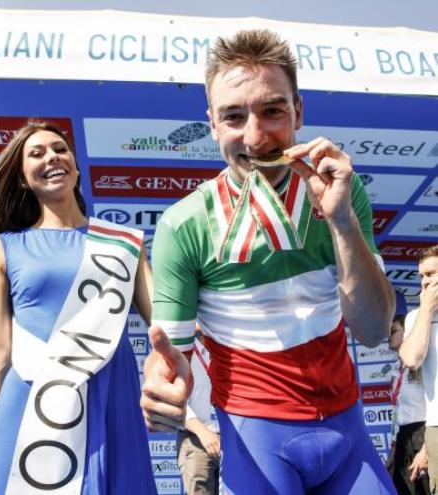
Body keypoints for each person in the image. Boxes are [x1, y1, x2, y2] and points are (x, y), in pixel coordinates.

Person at [141, 29, 396, 494]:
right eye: (234, 117)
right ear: (212, 125)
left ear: (299, 110)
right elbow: (168, 359)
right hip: (257, 442)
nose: (256, 137)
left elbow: (375, 330)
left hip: (348, 432)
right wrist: (162, 388)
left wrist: (340, 222)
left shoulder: (341, 189)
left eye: (272, 110)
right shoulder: (184, 224)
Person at [0, 121, 156, 494]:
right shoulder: (3, 246)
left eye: (59, 149)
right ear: (22, 179)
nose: (51, 157)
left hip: (108, 399)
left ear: (75, 164)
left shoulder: (123, 244)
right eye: (36, 154)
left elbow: (163, 325)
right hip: (26, 402)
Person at [399, 245, 438, 493]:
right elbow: (412, 358)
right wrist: (426, 309)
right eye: (421, 276)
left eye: (432, 274)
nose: (425, 282)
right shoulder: (416, 317)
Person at [387, 290, 430, 494]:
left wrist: (427, 449)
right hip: (404, 438)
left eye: (393, 329)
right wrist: (394, 451)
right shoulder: (397, 368)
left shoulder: (423, 362)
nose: (388, 334)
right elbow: (399, 412)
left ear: (407, 330)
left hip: (424, 435)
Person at [177, 329, 220, 494]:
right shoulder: (180, 352)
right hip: (196, 440)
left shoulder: (232, 353)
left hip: (232, 441)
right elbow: (175, 402)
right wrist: (203, 433)